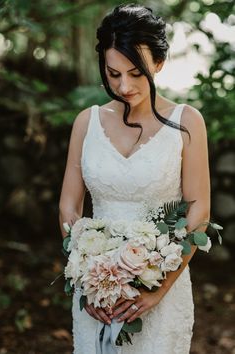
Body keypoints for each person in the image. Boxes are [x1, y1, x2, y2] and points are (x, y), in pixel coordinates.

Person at [59, 4, 210, 354]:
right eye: (113, 74)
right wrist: (85, 279)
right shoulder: (87, 122)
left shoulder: (188, 123)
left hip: (161, 294)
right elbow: (70, 205)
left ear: (158, 63)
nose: (124, 86)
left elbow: (198, 212)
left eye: (135, 72)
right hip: (97, 294)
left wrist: (157, 288)